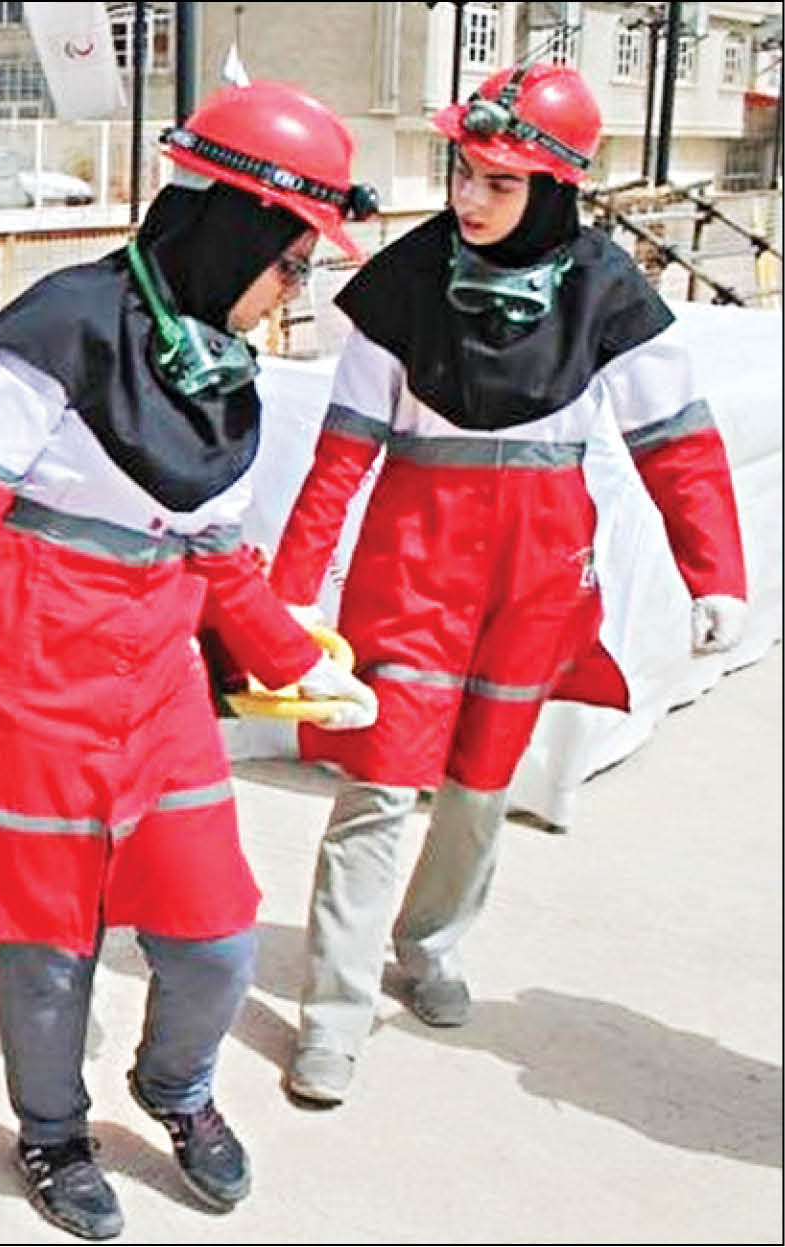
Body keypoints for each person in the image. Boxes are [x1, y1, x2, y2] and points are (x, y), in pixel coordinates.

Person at [0, 84, 382, 1240]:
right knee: (49, 946)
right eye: (290, 263)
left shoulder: (220, 368)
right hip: (24, 671)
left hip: (154, 679)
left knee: (215, 934)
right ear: (231, 227)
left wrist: (296, 663)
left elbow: (218, 556)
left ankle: (175, 1086)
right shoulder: (59, 329)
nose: (293, 290)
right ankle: (53, 1131)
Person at [271, 63, 747, 1108]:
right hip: (411, 570)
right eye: (463, 172)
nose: (469, 198)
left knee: (481, 784)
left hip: (537, 580)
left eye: (499, 181)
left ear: (556, 187)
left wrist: (715, 573)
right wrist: (291, 594)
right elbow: (339, 457)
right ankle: (333, 1014)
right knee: (378, 784)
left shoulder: (607, 290)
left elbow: (678, 445)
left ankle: (428, 943)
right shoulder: (401, 284)